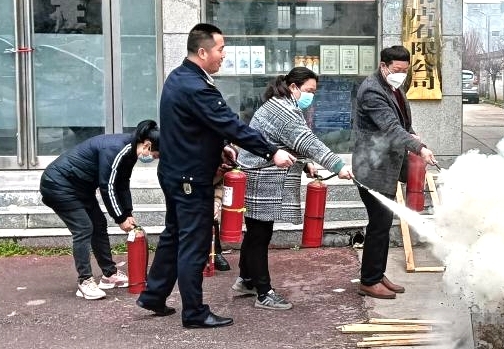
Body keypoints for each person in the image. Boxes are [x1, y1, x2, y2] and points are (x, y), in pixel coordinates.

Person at [136, 24, 294, 329]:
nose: (224, 55)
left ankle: (154, 295)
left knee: (173, 236)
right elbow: (229, 123)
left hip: (174, 172)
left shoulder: (179, 77)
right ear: (202, 52)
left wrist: (220, 147)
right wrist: (271, 152)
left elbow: (196, 126)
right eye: (220, 49)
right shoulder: (197, 87)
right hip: (191, 178)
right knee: (194, 243)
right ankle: (194, 312)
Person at [233, 68, 355, 311]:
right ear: (293, 87)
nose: (311, 96)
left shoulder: (281, 103)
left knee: (257, 232)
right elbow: (307, 141)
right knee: (259, 234)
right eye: (309, 91)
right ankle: (264, 293)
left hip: (259, 172)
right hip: (261, 175)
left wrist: (305, 162)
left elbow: (285, 141)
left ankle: (247, 280)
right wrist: (338, 165)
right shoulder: (284, 110)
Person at [40, 120, 160, 301]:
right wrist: (120, 218)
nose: (154, 158)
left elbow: (122, 183)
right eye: (155, 155)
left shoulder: (130, 153)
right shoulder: (117, 149)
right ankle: (85, 281)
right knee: (84, 228)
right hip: (58, 185)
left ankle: (109, 275)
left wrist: (127, 212)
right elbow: (107, 186)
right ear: (147, 145)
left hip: (80, 186)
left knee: (99, 224)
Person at [352, 45, 436, 299]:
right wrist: (419, 148)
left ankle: (377, 274)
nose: (401, 74)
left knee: (384, 224)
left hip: (386, 167)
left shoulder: (393, 87)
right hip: (372, 169)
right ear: (383, 66)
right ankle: (369, 280)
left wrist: (413, 136)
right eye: (397, 69)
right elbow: (390, 128)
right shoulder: (372, 91)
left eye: (405, 70)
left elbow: (402, 125)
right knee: (379, 224)